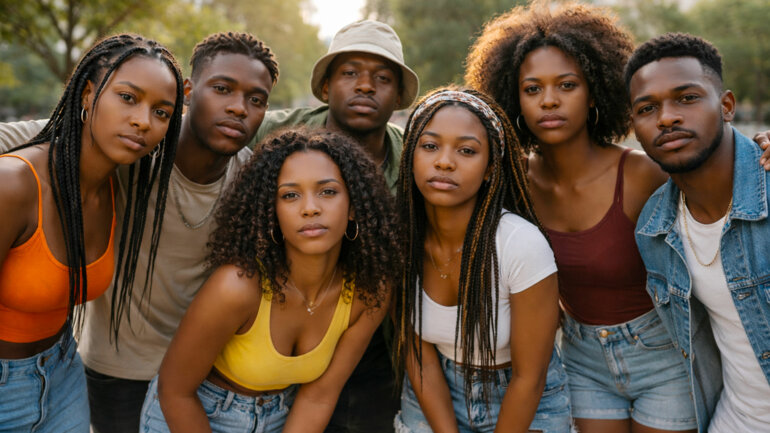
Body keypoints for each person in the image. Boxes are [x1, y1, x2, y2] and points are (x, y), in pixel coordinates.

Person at [465, 4, 770, 432]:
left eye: (567, 85)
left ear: (594, 92)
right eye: (532, 89)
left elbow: (717, 175)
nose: (549, 100)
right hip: (582, 354)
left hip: (661, 352)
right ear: (512, 97)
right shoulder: (513, 183)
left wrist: (762, 147)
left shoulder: (645, 173)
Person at [0, 32, 279, 433]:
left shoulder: (249, 179)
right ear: (191, 92)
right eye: (222, 89)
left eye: (256, 100)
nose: (141, 120)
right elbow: (47, 134)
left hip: (96, 373)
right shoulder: (122, 157)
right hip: (108, 373)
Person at [140, 128, 401, 432]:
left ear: (354, 206)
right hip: (193, 412)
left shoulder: (370, 290)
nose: (310, 208)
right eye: (290, 195)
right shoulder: (237, 287)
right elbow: (175, 392)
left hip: (281, 415)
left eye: (327, 191)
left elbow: (319, 396)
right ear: (272, 213)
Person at [0, 34, 184, 432]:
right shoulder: (13, 185)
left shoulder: (119, 189)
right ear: (87, 94)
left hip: (63, 374)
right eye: (128, 98)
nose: (143, 121)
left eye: (162, 112)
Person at [254, 19, 419, 432]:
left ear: (398, 94)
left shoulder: (416, 157)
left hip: (372, 343)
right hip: (277, 334)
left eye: (382, 78)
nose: (365, 86)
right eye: (349, 74)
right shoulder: (276, 135)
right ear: (325, 87)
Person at [392, 87, 571, 433]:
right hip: (434, 387)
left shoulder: (519, 244)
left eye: (467, 151)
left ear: (490, 169)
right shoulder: (402, 236)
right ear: (410, 155)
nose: (444, 161)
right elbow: (419, 354)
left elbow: (528, 377)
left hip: (520, 393)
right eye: (429, 146)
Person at [627, 33, 770, 433]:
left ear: (726, 106)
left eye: (687, 98)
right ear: (635, 127)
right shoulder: (654, 229)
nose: (667, 117)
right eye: (647, 108)